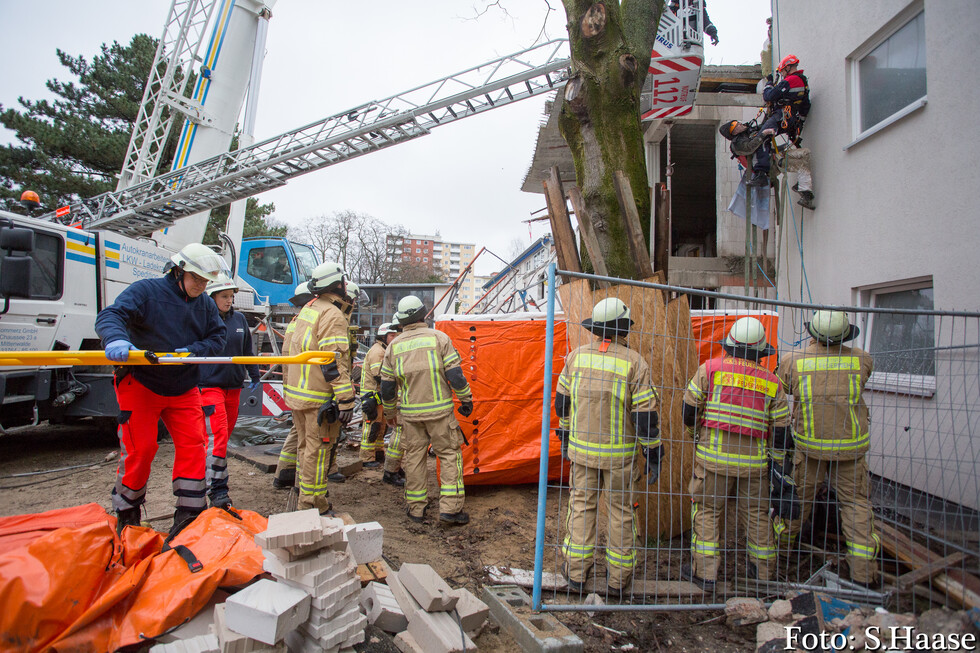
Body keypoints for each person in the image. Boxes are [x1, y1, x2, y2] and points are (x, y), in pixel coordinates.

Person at [95, 243, 228, 537]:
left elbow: (218, 336)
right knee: (141, 449)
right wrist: (115, 340)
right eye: (197, 279)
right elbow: (111, 316)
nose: (201, 286)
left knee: (194, 445)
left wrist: (192, 351)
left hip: (183, 386)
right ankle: (127, 511)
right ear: (179, 270)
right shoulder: (146, 292)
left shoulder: (205, 304)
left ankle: (189, 514)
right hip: (142, 382)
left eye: (206, 281)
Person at [554, 298, 662, 598]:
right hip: (620, 458)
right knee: (621, 513)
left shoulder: (575, 358)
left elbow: (562, 404)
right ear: (623, 329)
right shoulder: (635, 363)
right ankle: (618, 578)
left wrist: (565, 437)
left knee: (581, 507)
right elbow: (645, 417)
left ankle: (575, 573)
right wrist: (653, 453)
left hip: (582, 452)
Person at [681, 317, 792, 589]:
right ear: (761, 350)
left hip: (713, 461)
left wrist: (696, 435)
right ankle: (763, 575)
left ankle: (705, 573)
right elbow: (780, 433)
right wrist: (778, 466)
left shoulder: (710, 370)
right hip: (754, 466)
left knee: (707, 511)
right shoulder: (772, 383)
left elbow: (689, 410)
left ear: (729, 344)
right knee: (757, 515)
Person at [775, 311, 880, 588]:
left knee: (795, 505)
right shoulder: (861, 359)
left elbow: (783, 386)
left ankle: (779, 555)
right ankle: (864, 575)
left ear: (813, 333)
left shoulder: (794, 361)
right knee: (856, 509)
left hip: (809, 449)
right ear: (846, 334)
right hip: (851, 451)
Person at [380, 296, 473, 525]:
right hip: (440, 413)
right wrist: (465, 399)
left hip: (411, 416)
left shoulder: (394, 346)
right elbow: (455, 376)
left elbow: (387, 386)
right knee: (450, 455)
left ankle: (416, 510)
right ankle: (450, 509)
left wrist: (390, 413)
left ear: (402, 321)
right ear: (424, 315)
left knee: (414, 459)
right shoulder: (439, 338)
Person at [282, 262, 355, 514]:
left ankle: (304, 497)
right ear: (338, 284)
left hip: (299, 396)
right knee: (318, 452)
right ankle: (314, 506)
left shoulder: (309, 309)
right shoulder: (332, 315)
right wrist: (346, 399)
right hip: (318, 399)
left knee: (305, 449)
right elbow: (332, 360)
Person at [198, 274, 262, 509]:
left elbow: (247, 350)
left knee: (222, 440)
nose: (229, 300)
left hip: (234, 388)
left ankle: (213, 482)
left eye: (231, 296)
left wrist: (254, 373)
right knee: (217, 437)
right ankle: (217, 490)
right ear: (212, 297)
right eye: (224, 296)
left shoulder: (239, 321)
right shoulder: (203, 319)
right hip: (209, 386)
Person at [749, 54, 814, 210]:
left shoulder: (791, 80)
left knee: (761, 137)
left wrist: (769, 83)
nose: (782, 74)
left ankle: (761, 173)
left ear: (787, 68)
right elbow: (806, 105)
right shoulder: (804, 83)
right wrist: (800, 122)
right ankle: (805, 188)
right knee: (797, 148)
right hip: (793, 119)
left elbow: (768, 96)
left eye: (782, 71)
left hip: (782, 116)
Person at [273, 282, 314, 490]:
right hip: (305, 387)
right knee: (305, 438)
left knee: (297, 433)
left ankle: (284, 474)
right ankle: (300, 484)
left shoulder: (295, 321)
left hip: (294, 386)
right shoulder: (306, 322)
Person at [359, 323, 406, 487]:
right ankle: (366, 458)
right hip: (372, 396)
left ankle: (378, 453)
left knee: (382, 426)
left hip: (380, 396)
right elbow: (380, 377)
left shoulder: (385, 350)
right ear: (383, 336)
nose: (395, 337)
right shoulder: (378, 352)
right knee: (371, 426)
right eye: (392, 335)